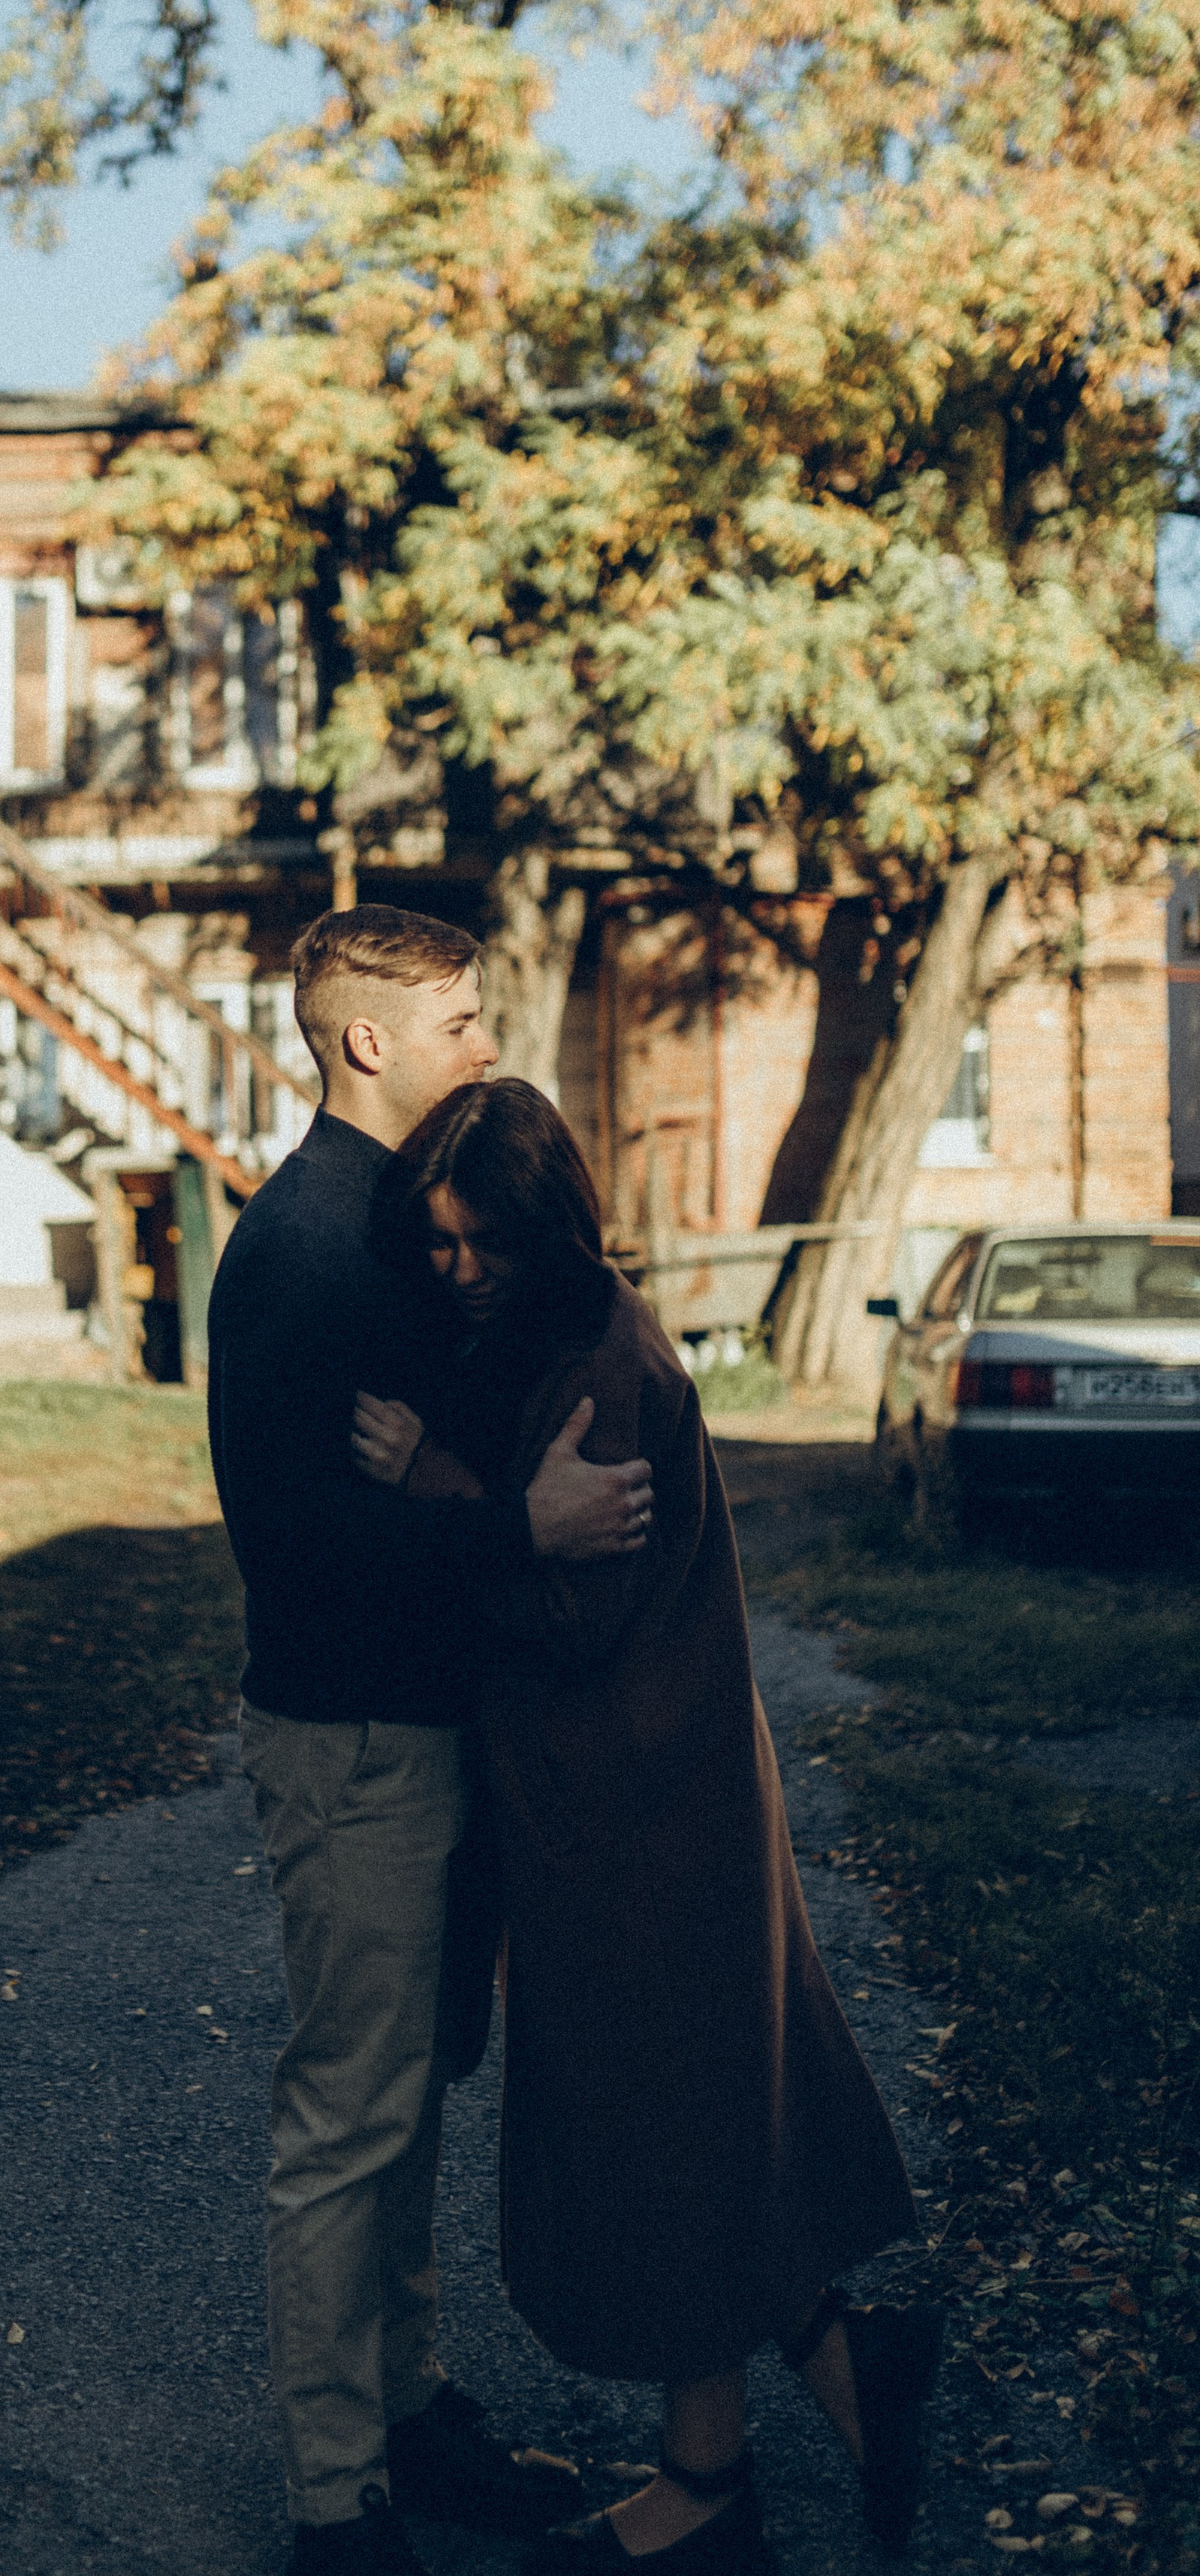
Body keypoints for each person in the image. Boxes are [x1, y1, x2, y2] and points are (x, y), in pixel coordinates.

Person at [350, 1079, 944, 2575]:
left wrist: (435, 1485)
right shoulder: (558, 1334)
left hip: (637, 1813)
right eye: (433, 1245)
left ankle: (707, 2486)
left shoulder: (597, 1367)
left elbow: (572, 1609)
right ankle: (844, 2376)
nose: (459, 1270)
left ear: (545, 1225)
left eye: (481, 1242)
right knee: (704, 2123)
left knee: (666, 2137)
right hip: (641, 1796)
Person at [207, 907, 657, 2574]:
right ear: (364, 1043)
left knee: (400, 2103)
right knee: (347, 2115)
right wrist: (514, 1531)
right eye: (462, 1022)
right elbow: (294, 1538)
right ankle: (339, 2505)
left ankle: (410, 2417)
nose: (490, 1043)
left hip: (422, 1730)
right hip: (350, 1745)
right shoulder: (303, 1245)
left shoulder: (397, 1216)